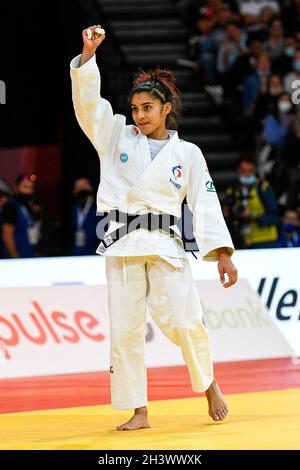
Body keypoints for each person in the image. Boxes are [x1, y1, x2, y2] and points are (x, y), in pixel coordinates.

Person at [70, 25, 238, 431]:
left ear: (166, 109)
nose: (139, 115)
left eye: (147, 108)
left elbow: (205, 201)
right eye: (135, 108)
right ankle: (138, 410)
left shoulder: (189, 153)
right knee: (125, 332)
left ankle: (209, 382)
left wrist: (224, 255)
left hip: (166, 245)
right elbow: (89, 106)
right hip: (122, 244)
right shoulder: (114, 137)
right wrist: (88, 55)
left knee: (185, 321)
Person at [223, 156, 279, 248]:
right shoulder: (232, 190)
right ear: (238, 170)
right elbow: (226, 213)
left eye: (250, 170)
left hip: (265, 240)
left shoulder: (263, 188)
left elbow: (274, 215)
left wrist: (253, 216)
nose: (247, 174)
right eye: (243, 170)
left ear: (255, 170)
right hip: (241, 240)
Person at [1, 174, 41, 258]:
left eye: (31, 188)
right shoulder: (11, 206)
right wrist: (15, 257)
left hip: (28, 255)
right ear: (16, 187)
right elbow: (7, 235)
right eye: (25, 187)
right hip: (15, 258)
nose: (28, 191)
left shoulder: (28, 206)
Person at [71, 177, 103, 256]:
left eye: (83, 187)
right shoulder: (75, 209)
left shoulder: (99, 207)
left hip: (94, 252)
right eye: (78, 187)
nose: (81, 190)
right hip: (77, 252)